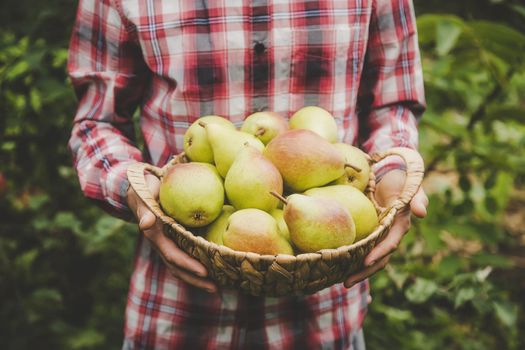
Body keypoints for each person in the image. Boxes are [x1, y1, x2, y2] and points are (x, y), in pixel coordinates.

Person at [68, 0, 428, 348]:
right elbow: (97, 122)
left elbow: (392, 102)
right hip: (178, 317)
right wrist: (136, 192)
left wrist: (395, 175)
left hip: (324, 319)